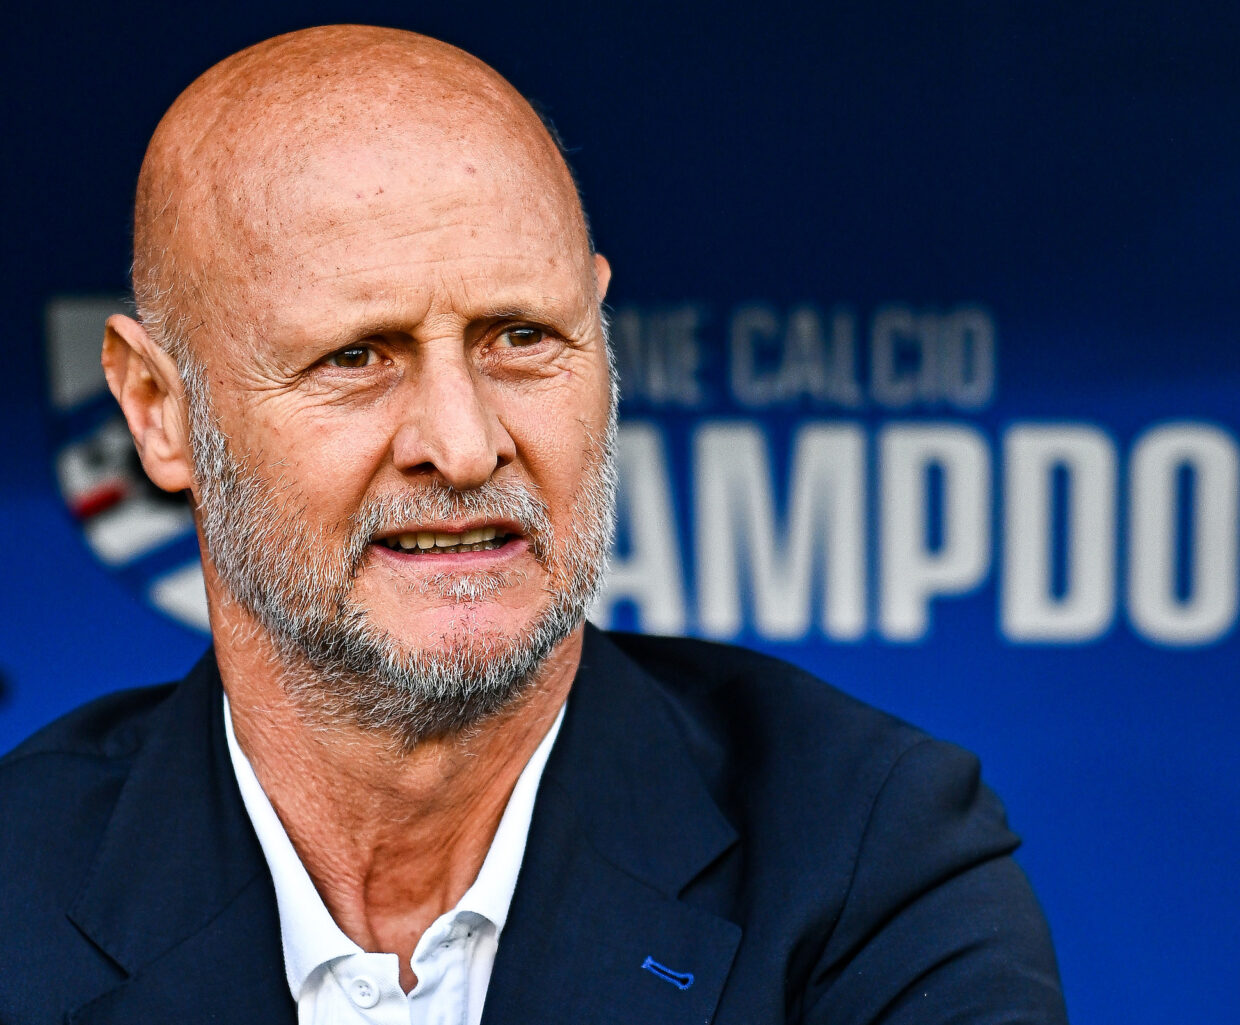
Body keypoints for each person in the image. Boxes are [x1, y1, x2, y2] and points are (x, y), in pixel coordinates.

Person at [0, 24, 1068, 1025]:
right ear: (159, 409)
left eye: (521, 336)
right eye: (357, 356)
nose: (465, 447)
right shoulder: (17, 884)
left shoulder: (869, 851)